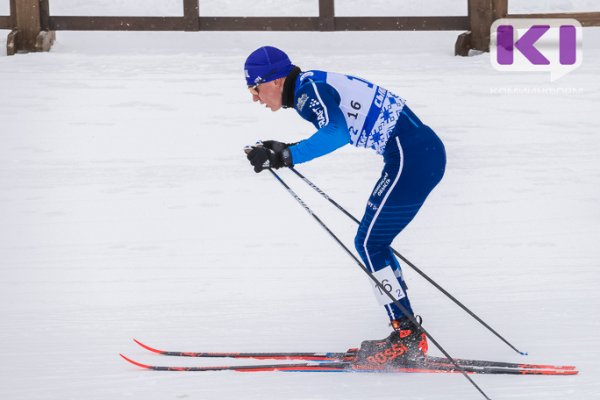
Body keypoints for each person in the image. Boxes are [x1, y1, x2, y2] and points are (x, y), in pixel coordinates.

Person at [244, 46, 446, 366]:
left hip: (413, 156)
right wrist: (282, 150)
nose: (255, 98)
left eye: (254, 88)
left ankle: (407, 335)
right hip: (412, 154)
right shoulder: (308, 87)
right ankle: (405, 330)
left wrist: (286, 155)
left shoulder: (309, 92)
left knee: (369, 242)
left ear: (275, 80)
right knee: (371, 242)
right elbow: (338, 127)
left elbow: (337, 133)